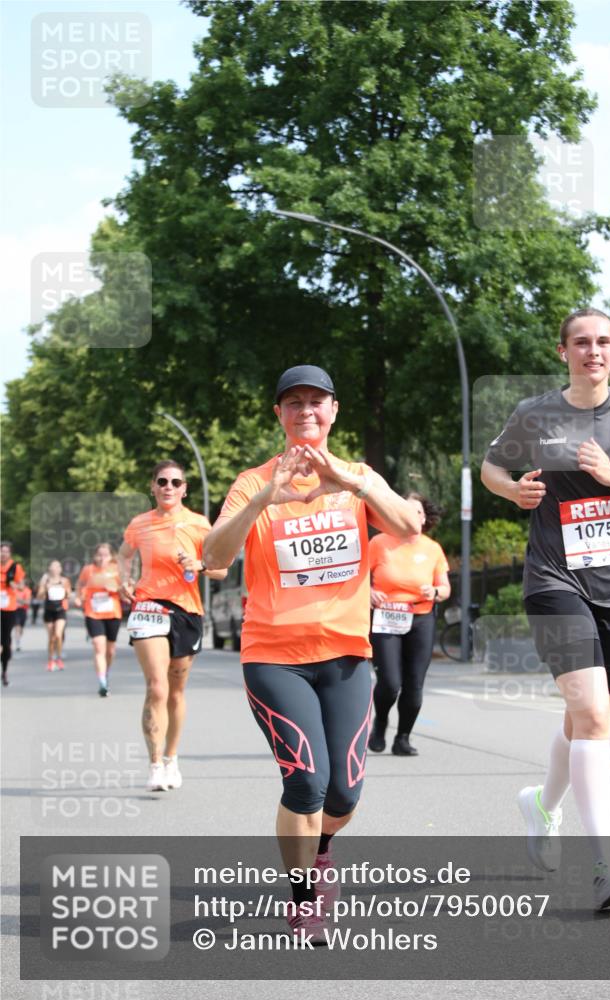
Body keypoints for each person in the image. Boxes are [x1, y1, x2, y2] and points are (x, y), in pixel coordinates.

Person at [203, 364, 420, 939]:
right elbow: (212, 556)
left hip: (346, 654)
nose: (305, 412)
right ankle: (303, 898)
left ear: (333, 411)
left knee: (344, 790)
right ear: (279, 414)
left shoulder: (356, 478)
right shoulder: (253, 483)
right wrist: (261, 504)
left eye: (316, 402)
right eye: (293, 403)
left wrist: (355, 485)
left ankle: (320, 848)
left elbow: (406, 527)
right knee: (306, 780)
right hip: (273, 654)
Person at [481, 307, 610, 911]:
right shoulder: (535, 414)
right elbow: (491, 465)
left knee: (590, 714)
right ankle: (603, 865)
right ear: (563, 352)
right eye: (581, 343)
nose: (594, 351)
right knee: (591, 715)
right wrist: (512, 489)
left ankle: (543, 804)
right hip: (555, 581)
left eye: (604, 342)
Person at [118, 461, 227, 792]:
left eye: (175, 481)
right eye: (162, 481)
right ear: (152, 486)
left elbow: (221, 568)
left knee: (176, 691)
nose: (168, 486)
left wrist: (200, 565)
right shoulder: (139, 524)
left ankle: (171, 758)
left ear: (184, 489)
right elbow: (124, 555)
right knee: (157, 686)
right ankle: (154, 765)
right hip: (148, 606)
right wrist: (124, 579)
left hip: (187, 611)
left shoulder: (198, 524)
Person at [367, 493, 450, 756]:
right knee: (390, 682)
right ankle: (380, 723)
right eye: (406, 510)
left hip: (421, 617)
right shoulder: (379, 543)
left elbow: (445, 587)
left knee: (414, 684)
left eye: (417, 512)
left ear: (424, 518)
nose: (412, 516)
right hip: (386, 617)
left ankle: (403, 738)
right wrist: (367, 592)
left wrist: (435, 592)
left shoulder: (432, 548)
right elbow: (357, 578)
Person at [75, 543, 123, 697]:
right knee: (98, 646)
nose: (102, 558)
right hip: (93, 612)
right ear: (94, 556)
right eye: (99, 555)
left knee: (110, 651)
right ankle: (102, 681)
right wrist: (78, 597)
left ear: (111, 556)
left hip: (112, 613)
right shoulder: (88, 570)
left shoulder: (116, 570)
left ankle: (105, 672)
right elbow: (80, 584)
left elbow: (125, 588)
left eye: (105, 555)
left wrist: (116, 589)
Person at [37, 560, 71, 672]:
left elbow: (69, 594)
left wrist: (65, 590)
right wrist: (46, 588)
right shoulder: (45, 581)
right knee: (51, 638)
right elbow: (39, 596)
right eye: (53, 566)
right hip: (49, 610)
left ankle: (59, 658)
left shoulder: (64, 580)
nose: (55, 569)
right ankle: (51, 659)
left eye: (57, 566)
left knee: (58, 635)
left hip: (60, 610)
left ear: (60, 569)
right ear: (49, 569)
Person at [1, 542, 26, 686]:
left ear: (10, 553)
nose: (3, 554)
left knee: (6, 642)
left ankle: (4, 671)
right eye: (1, 551)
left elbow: (22, 587)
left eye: (5, 551)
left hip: (8, 608)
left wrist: (14, 585)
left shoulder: (15, 567)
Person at [13, 580, 32, 653]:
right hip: (15, 610)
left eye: (21, 584)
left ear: (24, 584)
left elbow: (27, 602)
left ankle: (19, 638)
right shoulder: (14, 590)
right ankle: (18, 644)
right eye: (18, 584)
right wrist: (22, 601)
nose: (20, 585)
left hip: (23, 611)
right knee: (17, 627)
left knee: (21, 628)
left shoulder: (27, 591)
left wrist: (18, 600)